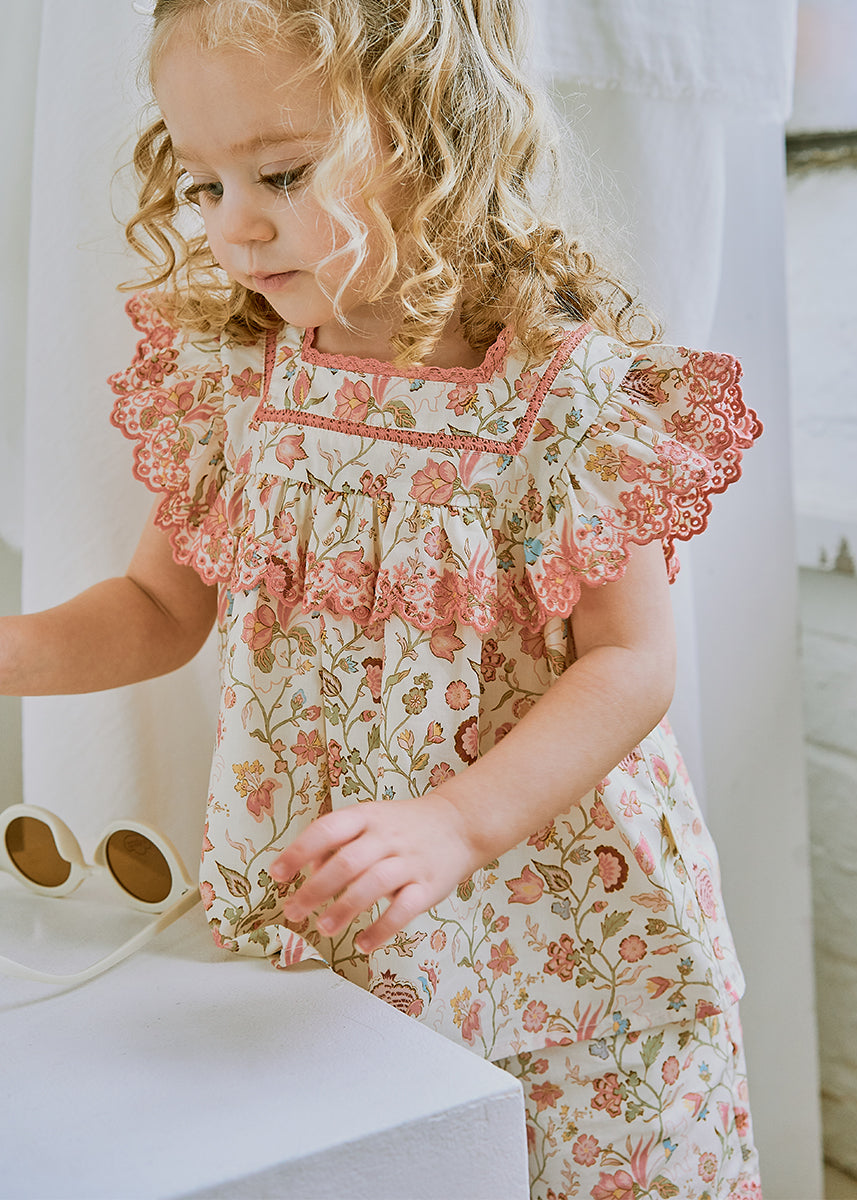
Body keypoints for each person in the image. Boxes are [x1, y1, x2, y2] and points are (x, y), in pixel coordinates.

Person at [1, 1, 764, 1194]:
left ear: (430, 135)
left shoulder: (566, 398)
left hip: (568, 935)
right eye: (203, 184)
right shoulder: (240, 381)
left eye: (281, 174)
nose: (235, 224)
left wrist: (457, 822)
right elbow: (156, 608)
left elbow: (629, 664)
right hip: (347, 916)